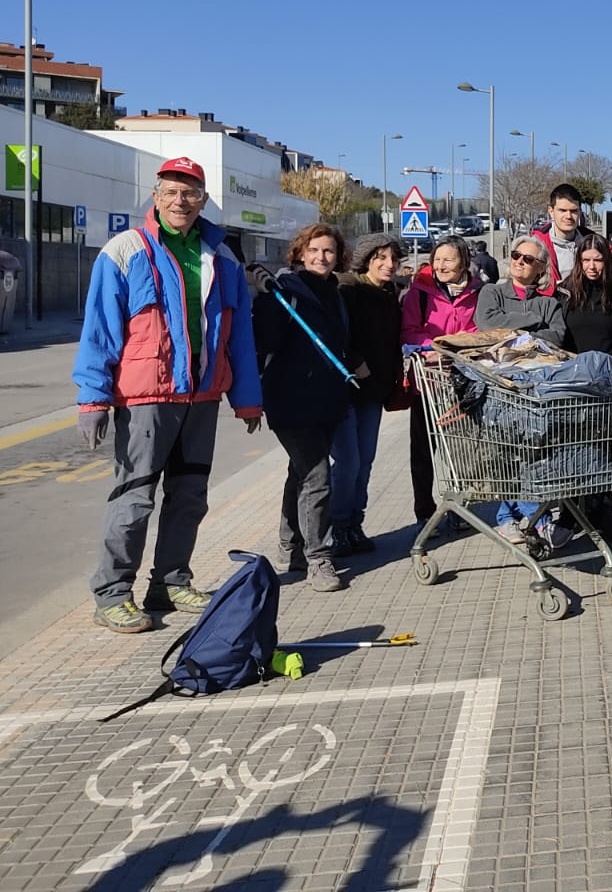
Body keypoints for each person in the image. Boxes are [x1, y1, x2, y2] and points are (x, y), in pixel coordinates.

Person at [73, 156, 263, 634]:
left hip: (200, 399)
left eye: (191, 192)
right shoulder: (125, 250)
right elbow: (99, 329)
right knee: (134, 499)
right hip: (146, 400)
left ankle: (171, 581)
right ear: (155, 197)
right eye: (172, 192)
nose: (182, 201)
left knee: (190, 496)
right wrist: (93, 398)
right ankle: (113, 593)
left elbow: (239, 335)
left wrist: (247, 397)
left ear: (203, 200)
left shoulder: (221, 257)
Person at [251, 224, 362, 592]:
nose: (321, 257)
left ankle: (291, 545)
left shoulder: (337, 295)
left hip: (328, 399)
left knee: (300, 475)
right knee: (317, 476)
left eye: (328, 251)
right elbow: (265, 341)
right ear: (300, 253)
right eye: (313, 250)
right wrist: (266, 299)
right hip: (290, 400)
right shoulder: (284, 292)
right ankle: (319, 558)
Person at [472, 234, 567, 546]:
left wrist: (514, 331)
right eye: (515, 255)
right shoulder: (492, 292)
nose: (519, 262)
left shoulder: (550, 302)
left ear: (541, 268)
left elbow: (557, 338)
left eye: (528, 259)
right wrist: (533, 323)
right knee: (508, 449)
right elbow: (488, 325)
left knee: (533, 450)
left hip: (538, 385)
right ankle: (534, 517)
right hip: (500, 385)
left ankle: (508, 517)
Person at [400, 235, 484, 525]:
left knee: (462, 448)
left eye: (448, 259)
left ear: (464, 261)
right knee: (423, 450)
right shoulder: (419, 293)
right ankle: (424, 513)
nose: (441, 265)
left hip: (462, 383)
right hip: (428, 384)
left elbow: (480, 331)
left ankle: (460, 506)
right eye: (437, 259)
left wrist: (462, 346)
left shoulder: (479, 292)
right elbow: (409, 331)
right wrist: (435, 346)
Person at [330, 233, 404, 557]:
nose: (389, 265)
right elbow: (336, 333)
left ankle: (354, 524)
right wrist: (354, 360)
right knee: (348, 463)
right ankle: (336, 527)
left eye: (393, 259)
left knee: (365, 463)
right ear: (366, 258)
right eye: (381, 258)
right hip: (345, 390)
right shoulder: (348, 289)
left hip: (373, 392)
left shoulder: (390, 293)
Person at [559, 232, 612, 398]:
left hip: (611, 381)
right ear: (579, 261)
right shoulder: (565, 293)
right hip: (572, 381)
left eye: (598, 260)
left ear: (606, 261)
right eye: (586, 260)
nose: (591, 266)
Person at [528, 182, 587, 286]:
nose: (568, 216)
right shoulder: (535, 246)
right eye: (562, 210)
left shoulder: (592, 244)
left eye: (574, 211)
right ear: (551, 211)